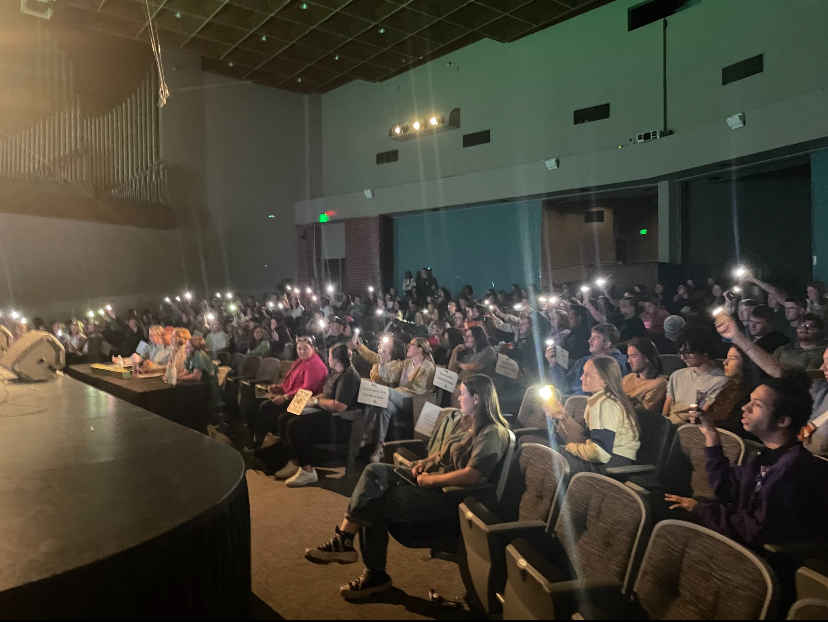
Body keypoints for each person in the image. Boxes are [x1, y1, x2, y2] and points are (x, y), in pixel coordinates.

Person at [303, 375, 510, 600]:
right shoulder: (468, 423)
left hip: (452, 499)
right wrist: (423, 463)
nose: (458, 397)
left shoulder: (492, 433)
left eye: (463, 394)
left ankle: (373, 572)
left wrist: (430, 480)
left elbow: (473, 475)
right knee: (375, 472)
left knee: (375, 502)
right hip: (436, 485)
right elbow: (444, 453)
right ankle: (344, 540)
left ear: (477, 399)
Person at [665, 375, 828, 549]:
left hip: (767, 558)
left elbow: (753, 531)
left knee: (668, 520)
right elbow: (725, 489)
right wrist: (711, 435)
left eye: (757, 404)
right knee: (662, 506)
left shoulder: (793, 469)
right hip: (740, 539)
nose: (744, 407)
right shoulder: (763, 456)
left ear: (783, 421)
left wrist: (700, 509)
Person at [272, 344, 362, 487]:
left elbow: (339, 406)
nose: (328, 359)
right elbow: (326, 394)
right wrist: (308, 400)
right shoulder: (336, 371)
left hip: (340, 422)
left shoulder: (348, 376)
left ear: (336, 359)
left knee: (294, 425)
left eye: (331, 356)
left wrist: (315, 401)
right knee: (284, 418)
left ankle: (308, 471)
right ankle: (296, 461)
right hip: (327, 413)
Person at [545, 356, 640, 474]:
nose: (581, 378)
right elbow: (584, 439)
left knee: (546, 459)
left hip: (611, 466)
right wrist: (564, 418)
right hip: (608, 461)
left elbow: (600, 452)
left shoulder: (606, 404)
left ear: (604, 380)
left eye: (587, 375)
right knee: (545, 453)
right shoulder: (598, 400)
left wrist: (570, 447)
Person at [353, 335, 436, 461]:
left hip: (414, 402)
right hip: (400, 397)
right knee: (383, 405)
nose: (408, 346)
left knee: (383, 392)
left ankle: (366, 434)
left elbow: (418, 390)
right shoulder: (407, 363)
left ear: (420, 349)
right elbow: (388, 376)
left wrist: (393, 391)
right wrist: (381, 361)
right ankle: (379, 446)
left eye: (412, 345)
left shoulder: (427, 367)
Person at [252, 336, 329, 446]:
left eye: (305, 348)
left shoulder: (315, 364)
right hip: (293, 395)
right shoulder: (300, 361)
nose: (302, 351)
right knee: (259, 401)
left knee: (267, 407)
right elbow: (289, 381)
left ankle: (265, 442)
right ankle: (265, 439)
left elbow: (307, 389)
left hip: (305, 400)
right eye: (299, 348)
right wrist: (279, 387)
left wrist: (285, 397)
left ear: (313, 348)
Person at [663, 328, 728, 425]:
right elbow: (666, 408)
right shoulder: (677, 375)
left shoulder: (720, 381)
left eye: (687, 352)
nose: (682, 357)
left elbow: (706, 416)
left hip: (691, 428)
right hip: (669, 425)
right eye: (680, 353)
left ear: (704, 350)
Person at [546, 324, 629, 396]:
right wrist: (553, 364)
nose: (589, 341)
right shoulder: (582, 362)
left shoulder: (616, 363)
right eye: (591, 336)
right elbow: (564, 387)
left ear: (607, 344)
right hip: (574, 403)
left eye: (596, 338)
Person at [177, 336, 222, 416]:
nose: (185, 348)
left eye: (188, 347)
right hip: (197, 386)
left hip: (208, 388)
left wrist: (176, 378)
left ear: (195, 348)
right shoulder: (190, 355)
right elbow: (186, 371)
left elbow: (196, 376)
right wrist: (173, 377)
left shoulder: (199, 355)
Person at [622, 337, 668, 411]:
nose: (628, 361)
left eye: (633, 356)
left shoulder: (658, 383)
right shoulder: (628, 378)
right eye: (628, 356)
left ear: (647, 358)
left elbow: (644, 413)